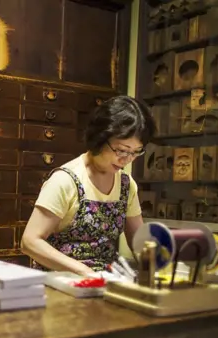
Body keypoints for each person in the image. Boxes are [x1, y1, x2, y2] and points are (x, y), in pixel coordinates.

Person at [21, 95, 156, 275]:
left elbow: (139, 244)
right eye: (121, 150)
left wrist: (159, 265)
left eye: (135, 152)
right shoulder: (66, 180)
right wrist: (85, 272)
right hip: (63, 281)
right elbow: (30, 242)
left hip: (107, 281)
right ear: (100, 137)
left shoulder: (126, 185)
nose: (126, 159)